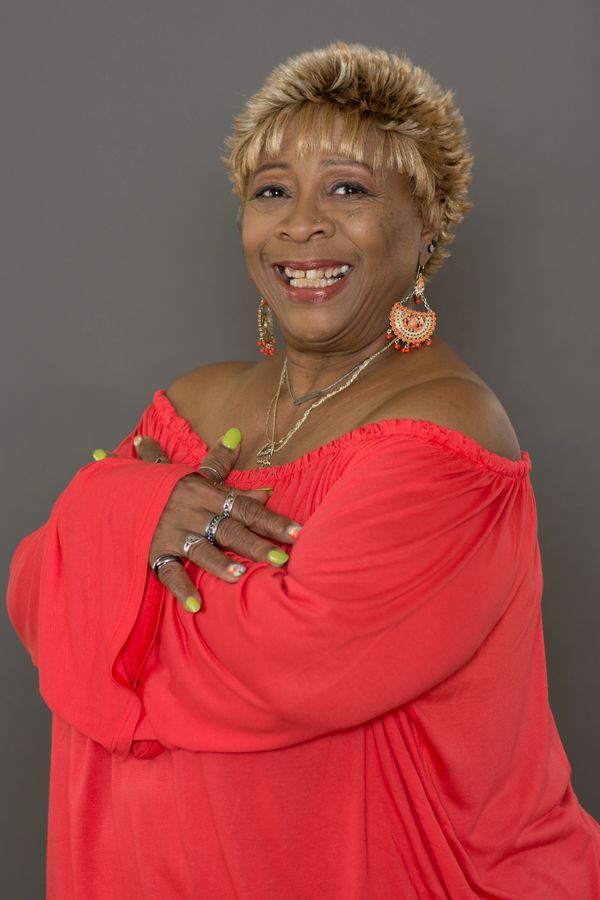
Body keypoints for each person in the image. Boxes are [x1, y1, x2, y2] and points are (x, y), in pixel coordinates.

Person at [7, 41, 600, 900]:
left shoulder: (452, 429)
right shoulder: (191, 403)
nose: (301, 224)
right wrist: (123, 511)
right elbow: (29, 590)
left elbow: (287, 667)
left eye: (349, 190)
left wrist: (99, 541)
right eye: (271, 191)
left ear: (425, 226)